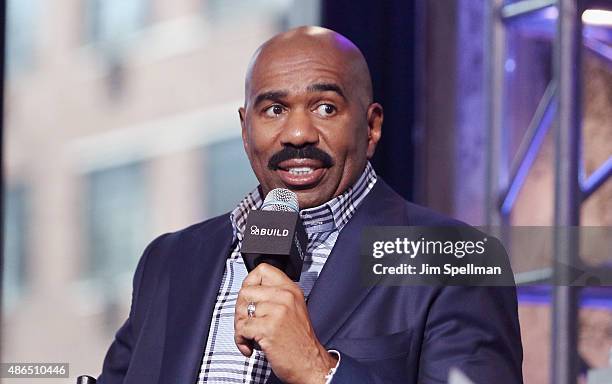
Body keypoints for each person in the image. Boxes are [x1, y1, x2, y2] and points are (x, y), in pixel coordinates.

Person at [98, 26, 523, 384]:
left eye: (325, 107)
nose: (298, 133)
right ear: (246, 130)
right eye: (275, 109)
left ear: (371, 126)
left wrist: (319, 370)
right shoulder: (169, 260)